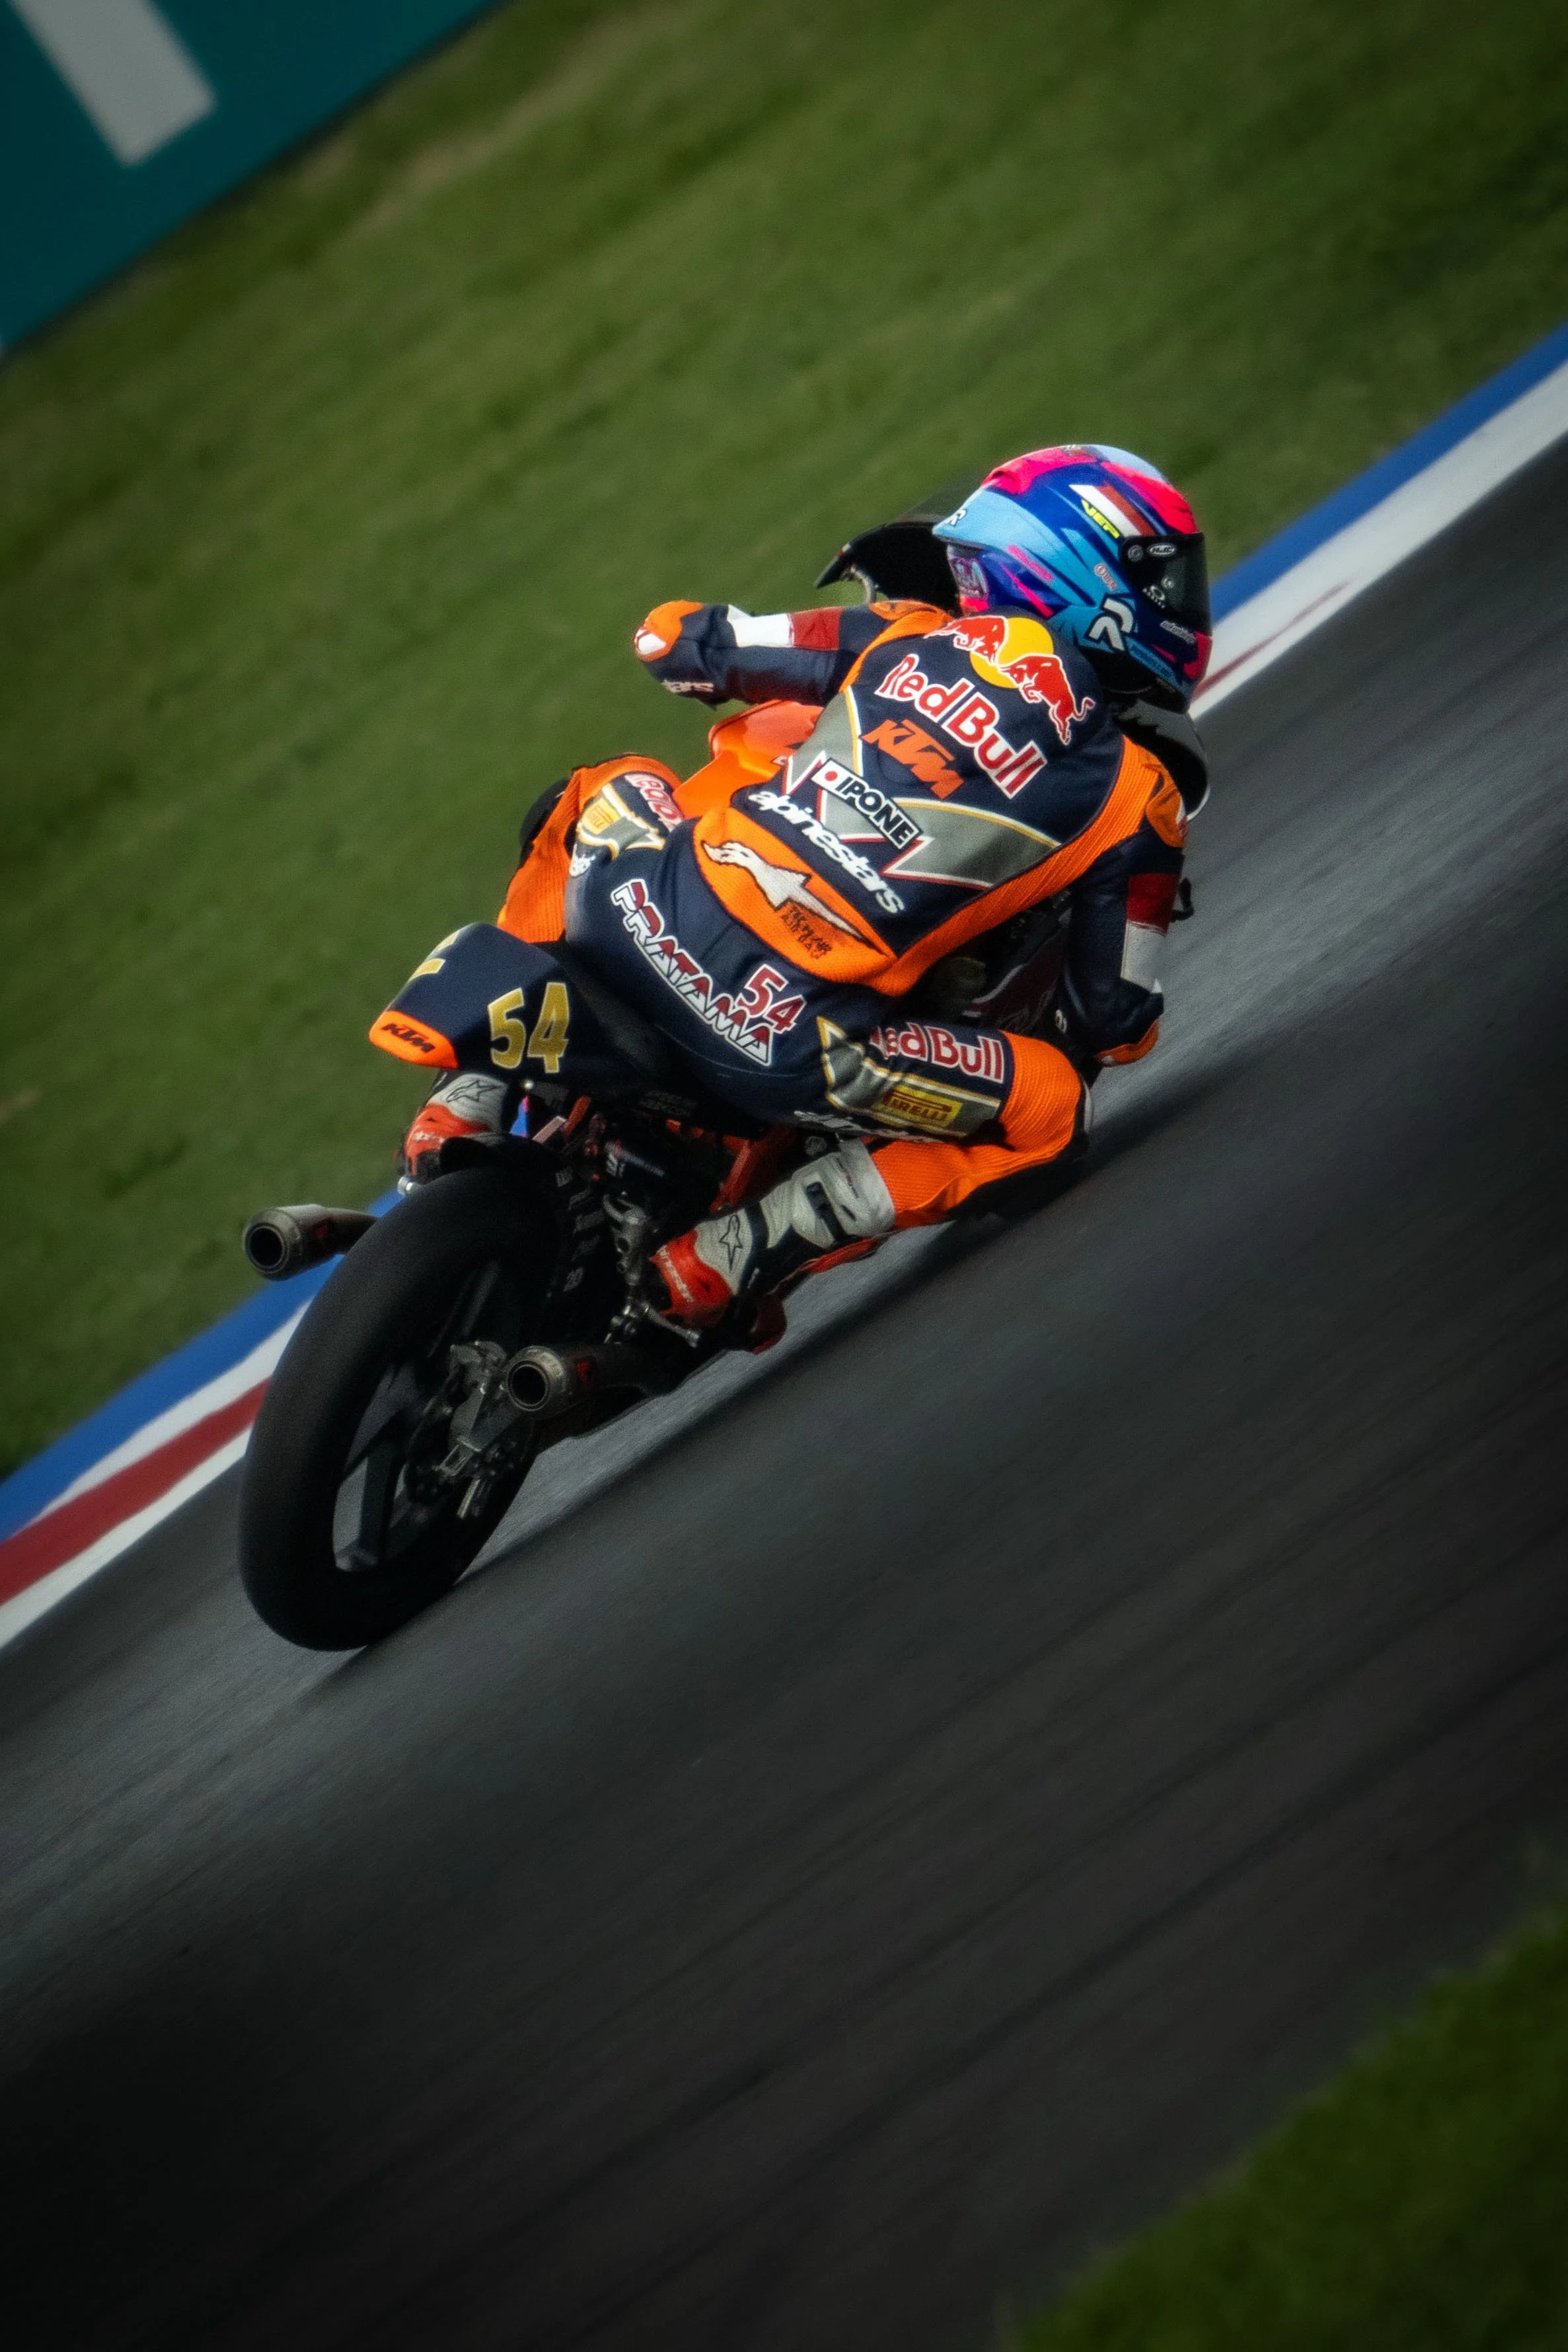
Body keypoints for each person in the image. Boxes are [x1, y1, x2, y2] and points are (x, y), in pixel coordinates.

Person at [402, 444, 1211, 1330]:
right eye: (1164, 582)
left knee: (602, 784)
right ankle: (738, 1247)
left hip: (639, 914)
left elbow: (685, 646)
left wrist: (673, 631)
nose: (1180, 605)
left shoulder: (906, 635)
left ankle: (468, 1098)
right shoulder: (1142, 791)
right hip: (791, 1041)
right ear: (1089, 583)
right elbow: (1115, 1020)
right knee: (1053, 1108)